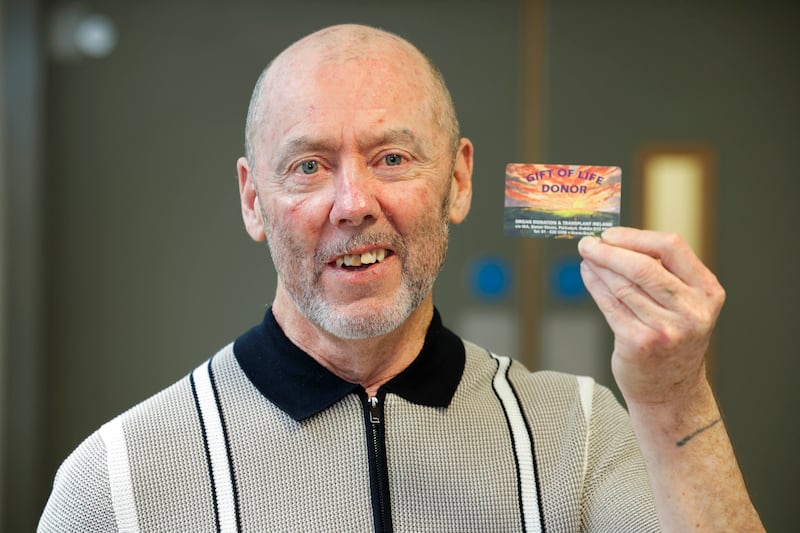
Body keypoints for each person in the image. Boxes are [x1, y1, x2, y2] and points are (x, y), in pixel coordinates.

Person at [39, 24, 763, 532]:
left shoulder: (580, 437)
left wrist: (674, 397)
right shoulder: (117, 479)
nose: (354, 203)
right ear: (253, 199)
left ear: (458, 179)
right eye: (309, 166)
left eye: (391, 158)